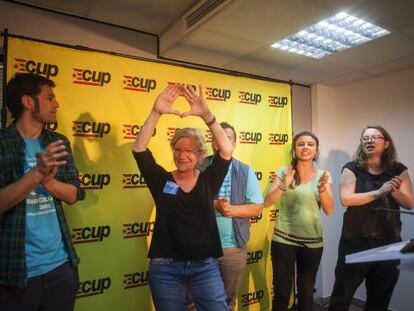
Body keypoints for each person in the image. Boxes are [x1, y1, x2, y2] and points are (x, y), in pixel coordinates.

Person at [132, 83, 233, 311]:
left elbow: (226, 150)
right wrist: (156, 112)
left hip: (204, 267)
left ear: (200, 155)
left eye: (190, 150)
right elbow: (139, 149)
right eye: (178, 149)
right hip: (165, 269)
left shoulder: (209, 179)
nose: (182, 155)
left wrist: (207, 115)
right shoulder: (162, 180)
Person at [0, 73, 85, 310]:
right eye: (49, 97)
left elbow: (73, 194)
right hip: (16, 272)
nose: (56, 104)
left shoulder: (57, 141)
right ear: (28, 102)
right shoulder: (3, 143)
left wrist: (49, 183)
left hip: (62, 267)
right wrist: (37, 173)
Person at [328, 126, 414, 311]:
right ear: (361, 143)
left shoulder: (398, 170)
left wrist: (394, 191)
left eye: (375, 137)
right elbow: (346, 199)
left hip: (389, 243)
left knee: (380, 299)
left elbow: (409, 203)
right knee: (341, 296)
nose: (370, 141)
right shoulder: (352, 168)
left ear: (386, 143)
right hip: (355, 242)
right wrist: (379, 192)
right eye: (365, 138)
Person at [264, 131, 334, 311]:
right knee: (281, 293)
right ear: (294, 150)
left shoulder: (324, 175)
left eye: (310, 144)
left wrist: (323, 189)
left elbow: (329, 210)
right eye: (301, 144)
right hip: (283, 239)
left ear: (316, 151)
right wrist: (284, 184)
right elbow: (267, 202)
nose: (305, 147)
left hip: (312, 242)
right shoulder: (283, 171)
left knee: (306, 293)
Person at [200, 122, 264, 310]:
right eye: (218, 136)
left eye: (227, 137)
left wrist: (231, 210)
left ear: (234, 144)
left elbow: (257, 207)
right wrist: (215, 205)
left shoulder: (244, 171)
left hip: (233, 248)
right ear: (212, 142)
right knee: (197, 300)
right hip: (200, 247)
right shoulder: (198, 167)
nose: (222, 140)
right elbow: (187, 201)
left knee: (228, 301)